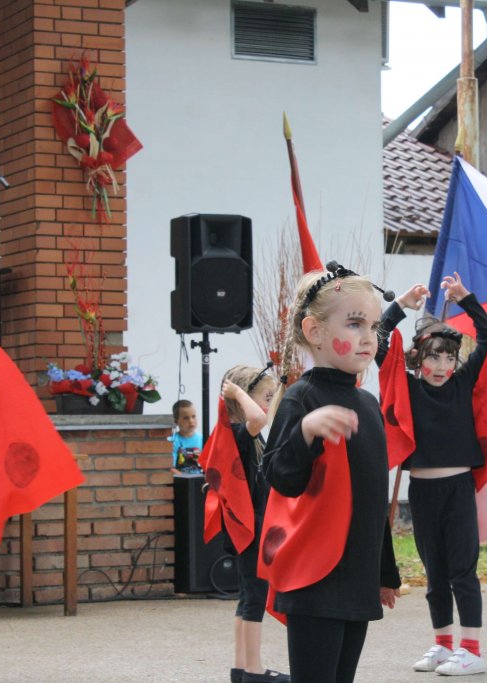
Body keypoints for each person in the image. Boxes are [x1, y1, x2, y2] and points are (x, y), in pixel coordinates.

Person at [262, 263, 402, 683]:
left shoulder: (368, 405)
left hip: (357, 577)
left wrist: (384, 572)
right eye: (355, 324)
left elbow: (372, 498)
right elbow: (279, 477)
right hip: (314, 576)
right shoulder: (301, 399)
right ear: (315, 331)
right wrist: (305, 432)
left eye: (374, 326)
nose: (369, 337)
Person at [374, 274, 487, 676]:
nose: (442, 366)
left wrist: (466, 299)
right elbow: (378, 340)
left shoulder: (463, 383)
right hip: (422, 491)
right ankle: (443, 644)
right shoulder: (407, 388)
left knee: (463, 571)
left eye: (449, 358)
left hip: (458, 488)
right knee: (435, 574)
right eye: (433, 357)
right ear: (417, 358)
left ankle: (471, 649)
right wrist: (401, 305)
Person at [219, 365, 289, 683]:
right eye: (266, 397)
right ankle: (254, 670)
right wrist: (236, 392)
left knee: (248, 597)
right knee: (255, 598)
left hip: (253, 525)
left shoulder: (250, 436)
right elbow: (258, 418)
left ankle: (241, 667)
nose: (269, 404)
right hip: (250, 529)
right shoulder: (238, 433)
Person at [170, 398, 202, 473]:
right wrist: (184, 478)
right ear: (176, 421)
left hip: (200, 479)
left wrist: (201, 460)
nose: (191, 421)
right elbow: (170, 468)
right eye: (186, 418)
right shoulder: (173, 441)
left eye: (193, 416)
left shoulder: (203, 439)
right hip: (180, 479)